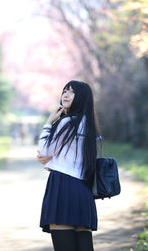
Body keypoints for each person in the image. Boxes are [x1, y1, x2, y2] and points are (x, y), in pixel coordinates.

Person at [37, 80, 99, 251]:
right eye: (65, 90)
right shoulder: (90, 126)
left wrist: (49, 121)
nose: (66, 94)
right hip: (83, 192)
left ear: (81, 98)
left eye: (72, 92)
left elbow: (43, 152)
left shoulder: (67, 122)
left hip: (62, 187)